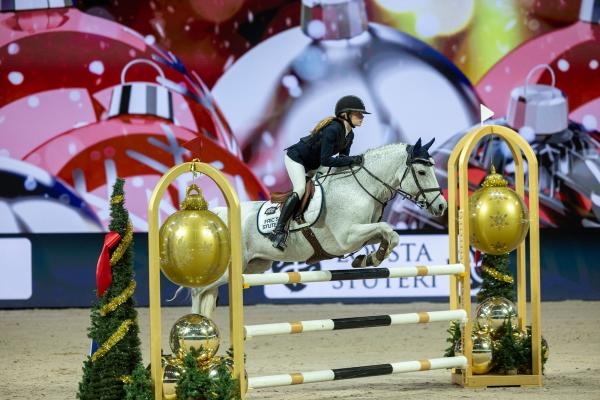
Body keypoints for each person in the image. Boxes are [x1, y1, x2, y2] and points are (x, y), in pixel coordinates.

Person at [269, 95, 369, 250]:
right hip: (297, 159)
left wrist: (354, 163)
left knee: (326, 186)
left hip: (314, 163)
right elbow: (326, 161)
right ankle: (278, 230)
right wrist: (353, 160)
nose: (362, 117)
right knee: (301, 189)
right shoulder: (333, 129)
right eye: (358, 114)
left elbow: (343, 159)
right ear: (345, 114)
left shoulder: (350, 134)